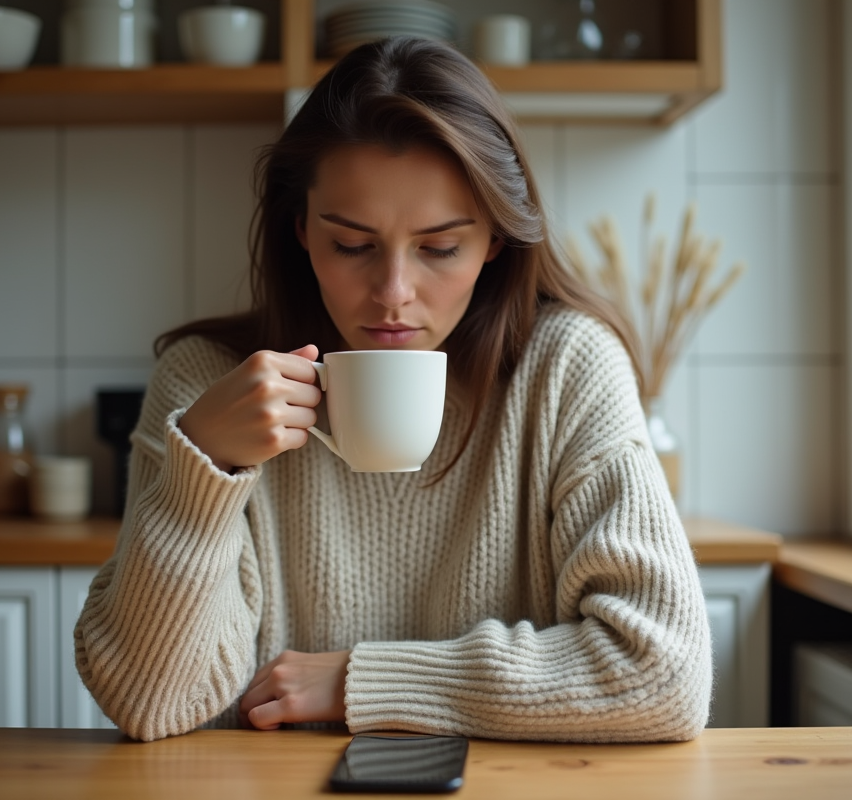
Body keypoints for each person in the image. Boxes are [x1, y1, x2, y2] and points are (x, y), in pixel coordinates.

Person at [74, 36, 712, 744]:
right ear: (301, 232)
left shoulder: (566, 370)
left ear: (495, 240)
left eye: (440, 247)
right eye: (352, 245)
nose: (393, 294)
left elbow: (664, 672)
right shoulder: (204, 383)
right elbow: (150, 701)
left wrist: (360, 681)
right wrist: (203, 473)